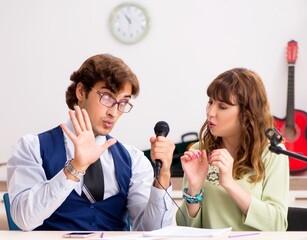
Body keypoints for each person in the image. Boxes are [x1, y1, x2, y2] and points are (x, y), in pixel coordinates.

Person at [7, 53, 175, 231]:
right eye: (107, 97)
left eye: (123, 102)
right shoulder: (32, 147)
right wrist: (76, 167)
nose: (114, 112)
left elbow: (154, 232)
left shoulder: (133, 159)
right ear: (81, 91)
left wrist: (163, 176)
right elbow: (23, 219)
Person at [176, 68, 289, 231]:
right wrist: (194, 189)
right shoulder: (199, 151)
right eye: (210, 102)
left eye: (222, 106)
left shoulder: (273, 153)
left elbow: (277, 225)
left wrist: (229, 183)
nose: (210, 112)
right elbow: (184, 228)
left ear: (247, 114)